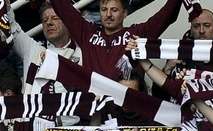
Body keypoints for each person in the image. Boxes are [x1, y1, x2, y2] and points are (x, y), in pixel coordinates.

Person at [52, 0, 185, 78]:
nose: (108, 14)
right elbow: (63, 8)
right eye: (104, 10)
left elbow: (166, 15)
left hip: (129, 111)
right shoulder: (87, 32)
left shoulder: (137, 33)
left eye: (114, 10)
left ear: (125, 13)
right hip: (96, 110)